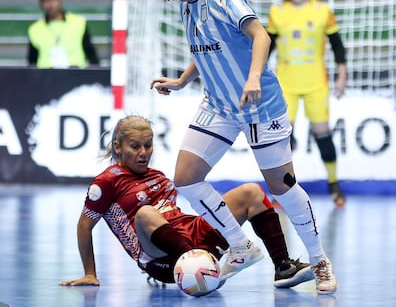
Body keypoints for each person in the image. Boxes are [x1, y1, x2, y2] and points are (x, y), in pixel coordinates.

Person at [135, 0, 337, 294]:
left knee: (282, 186)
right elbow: (207, 49)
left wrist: (251, 78)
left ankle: (319, 261)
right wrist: (182, 79)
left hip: (260, 105)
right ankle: (240, 244)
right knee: (187, 179)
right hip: (220, 106)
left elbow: (259, 36)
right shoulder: (188, 4)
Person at [59, 114, 314, 289]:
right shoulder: (107, 182)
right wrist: (90, 273)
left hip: (191, 233)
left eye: (148, 145)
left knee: (252, 192)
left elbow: (173, 215)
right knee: (146, 213)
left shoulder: (158, 176)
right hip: (161, 259)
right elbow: (84, 226)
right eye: (135, 146)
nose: (143, 152)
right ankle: (193, 262)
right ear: (117, 147)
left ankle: (283, 266)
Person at [266, 0, 347, 207]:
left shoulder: (322, 11)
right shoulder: (278, 12)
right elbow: (267, 46)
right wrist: (256, 74)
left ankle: (334, 184)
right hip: (286, 84)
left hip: (315, 83)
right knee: (283, 137)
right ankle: (285, 190)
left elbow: (337, 44)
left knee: (322, 134)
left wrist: (341, 74)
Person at [27, 0, 99, 68]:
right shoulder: (34, 29)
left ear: (60, 0)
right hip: (46, 76)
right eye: (46, 1)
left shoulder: (78, 22)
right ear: (41, 4)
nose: (51, 4)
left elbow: (91, 53)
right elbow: (32, 61)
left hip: (75, 73)